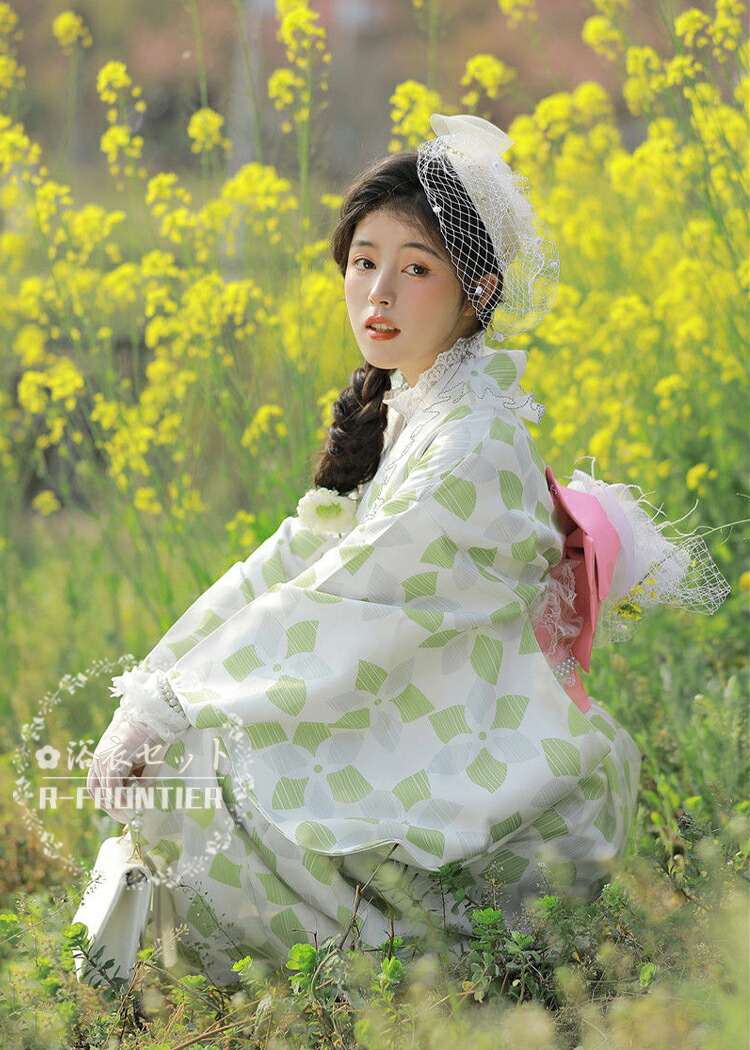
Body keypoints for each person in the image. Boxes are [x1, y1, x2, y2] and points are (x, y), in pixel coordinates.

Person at [85, 114, 727, 985]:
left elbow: (352, 597)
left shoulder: (475, 443)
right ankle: (183, 949)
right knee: (193, 751)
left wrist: (174, 705)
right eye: (363, 263)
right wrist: (153, 687)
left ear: (478, 292)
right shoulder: (409, 412)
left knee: (212, 759)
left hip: (469, 764)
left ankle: (358, 975)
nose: (378, 293)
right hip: (407, 715)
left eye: (415, 268)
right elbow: (284, 565)